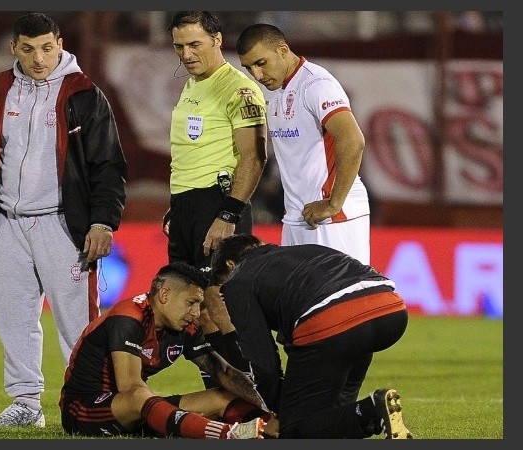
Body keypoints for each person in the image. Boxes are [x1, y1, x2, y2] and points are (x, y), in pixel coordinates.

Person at [0, 12, 127, 428]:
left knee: (79, 324)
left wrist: (103, 221)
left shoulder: (85, 95)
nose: (39, 58)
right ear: (14, 47)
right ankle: (25, 404)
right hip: (5, 223)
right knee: (13, 319)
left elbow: (109, 166)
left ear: (60, 44)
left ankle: (89, 401)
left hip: (63, 226)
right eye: (29, 49)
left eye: (47, 48)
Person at [206, 233, 414, 439]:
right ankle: (361, 417)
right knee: (336, 411)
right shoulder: (305, 251)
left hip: (334, 321)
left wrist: (281, 408)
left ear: (230, 264)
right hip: (391, 310)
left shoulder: (237, 279)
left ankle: (372, 410)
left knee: (294, 429)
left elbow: (262, 358)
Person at [162, 10, 268, 390]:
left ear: (217, 39)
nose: (187, 54)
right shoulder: (192, 85)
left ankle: (259, 389)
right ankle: (222, 392)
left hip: (219, 204)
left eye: (195, 44)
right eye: (179, 46)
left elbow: (254, 157)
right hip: (188, 206)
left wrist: (228, 214)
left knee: (220, 303)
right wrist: (178, 207)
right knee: (191, 307)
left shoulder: (238, 90)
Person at [59, 262, 277, 439]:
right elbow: (130, 388)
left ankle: (273, 427)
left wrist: (267, 408)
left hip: (140, 410)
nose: (195, 313)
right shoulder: (128, 318)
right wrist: (176, 414)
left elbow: (224, 372)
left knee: (222, 396)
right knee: (139, 394)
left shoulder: (185, 326)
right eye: (191, 302)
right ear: (164, 295)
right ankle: (228, 434)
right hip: (85, 410)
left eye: (198, 305)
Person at [235, 23, 371, 265]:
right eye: (248, 67)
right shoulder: (275, 92)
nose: (256, 75)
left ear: (283, 50)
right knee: (298, 302)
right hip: (296, 218)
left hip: (333, 219)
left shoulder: (316, 85)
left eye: (261, 63)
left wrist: (333, 203)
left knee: (339, 300)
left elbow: (353, 140)